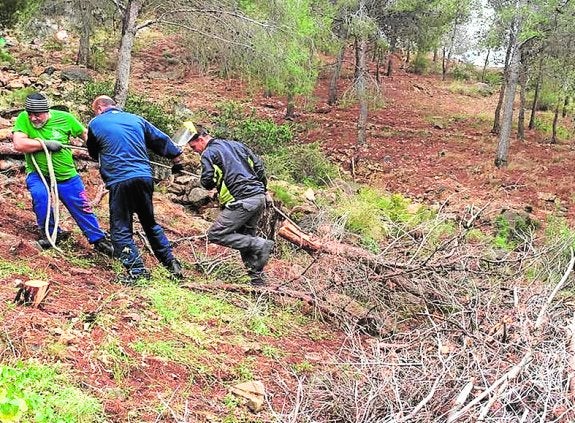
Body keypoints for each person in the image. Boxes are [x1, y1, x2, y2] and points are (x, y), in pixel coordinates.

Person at [86, 95, 184, 284]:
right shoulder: (136, 119)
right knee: (150, 223)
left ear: (99, 108)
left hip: (120, 180)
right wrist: (176, 159)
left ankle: (137, 272)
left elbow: (93, 152)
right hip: (144, 177)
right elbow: (160, 140)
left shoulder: (96, 123)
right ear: (114, 106)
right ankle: (172, 265)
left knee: (120, 228)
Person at [12, 92, 114, 255]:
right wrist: (44, 144)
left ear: (47, 112)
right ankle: (51, 233)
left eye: (37, 115)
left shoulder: (65, 118)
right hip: (38, 174)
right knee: (41, 198)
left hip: (66, 175)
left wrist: (101, 148)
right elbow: (19, 143)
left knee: (81, 206)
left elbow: (86, 135)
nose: (33, 119)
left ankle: (98, 240)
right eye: (30, 115)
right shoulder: (23, 118)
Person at [185, 123, 274, 286]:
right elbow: (259, 167)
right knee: (245, 240)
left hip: (242, 200)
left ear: (201, 139)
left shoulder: (208, 153)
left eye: (193, 147)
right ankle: (258, 282)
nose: (194, 150)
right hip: (258, 198)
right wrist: (264, 189)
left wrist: (209, 185)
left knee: (215, 234)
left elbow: (207, 181)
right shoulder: (237, 145)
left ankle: (261, 244)